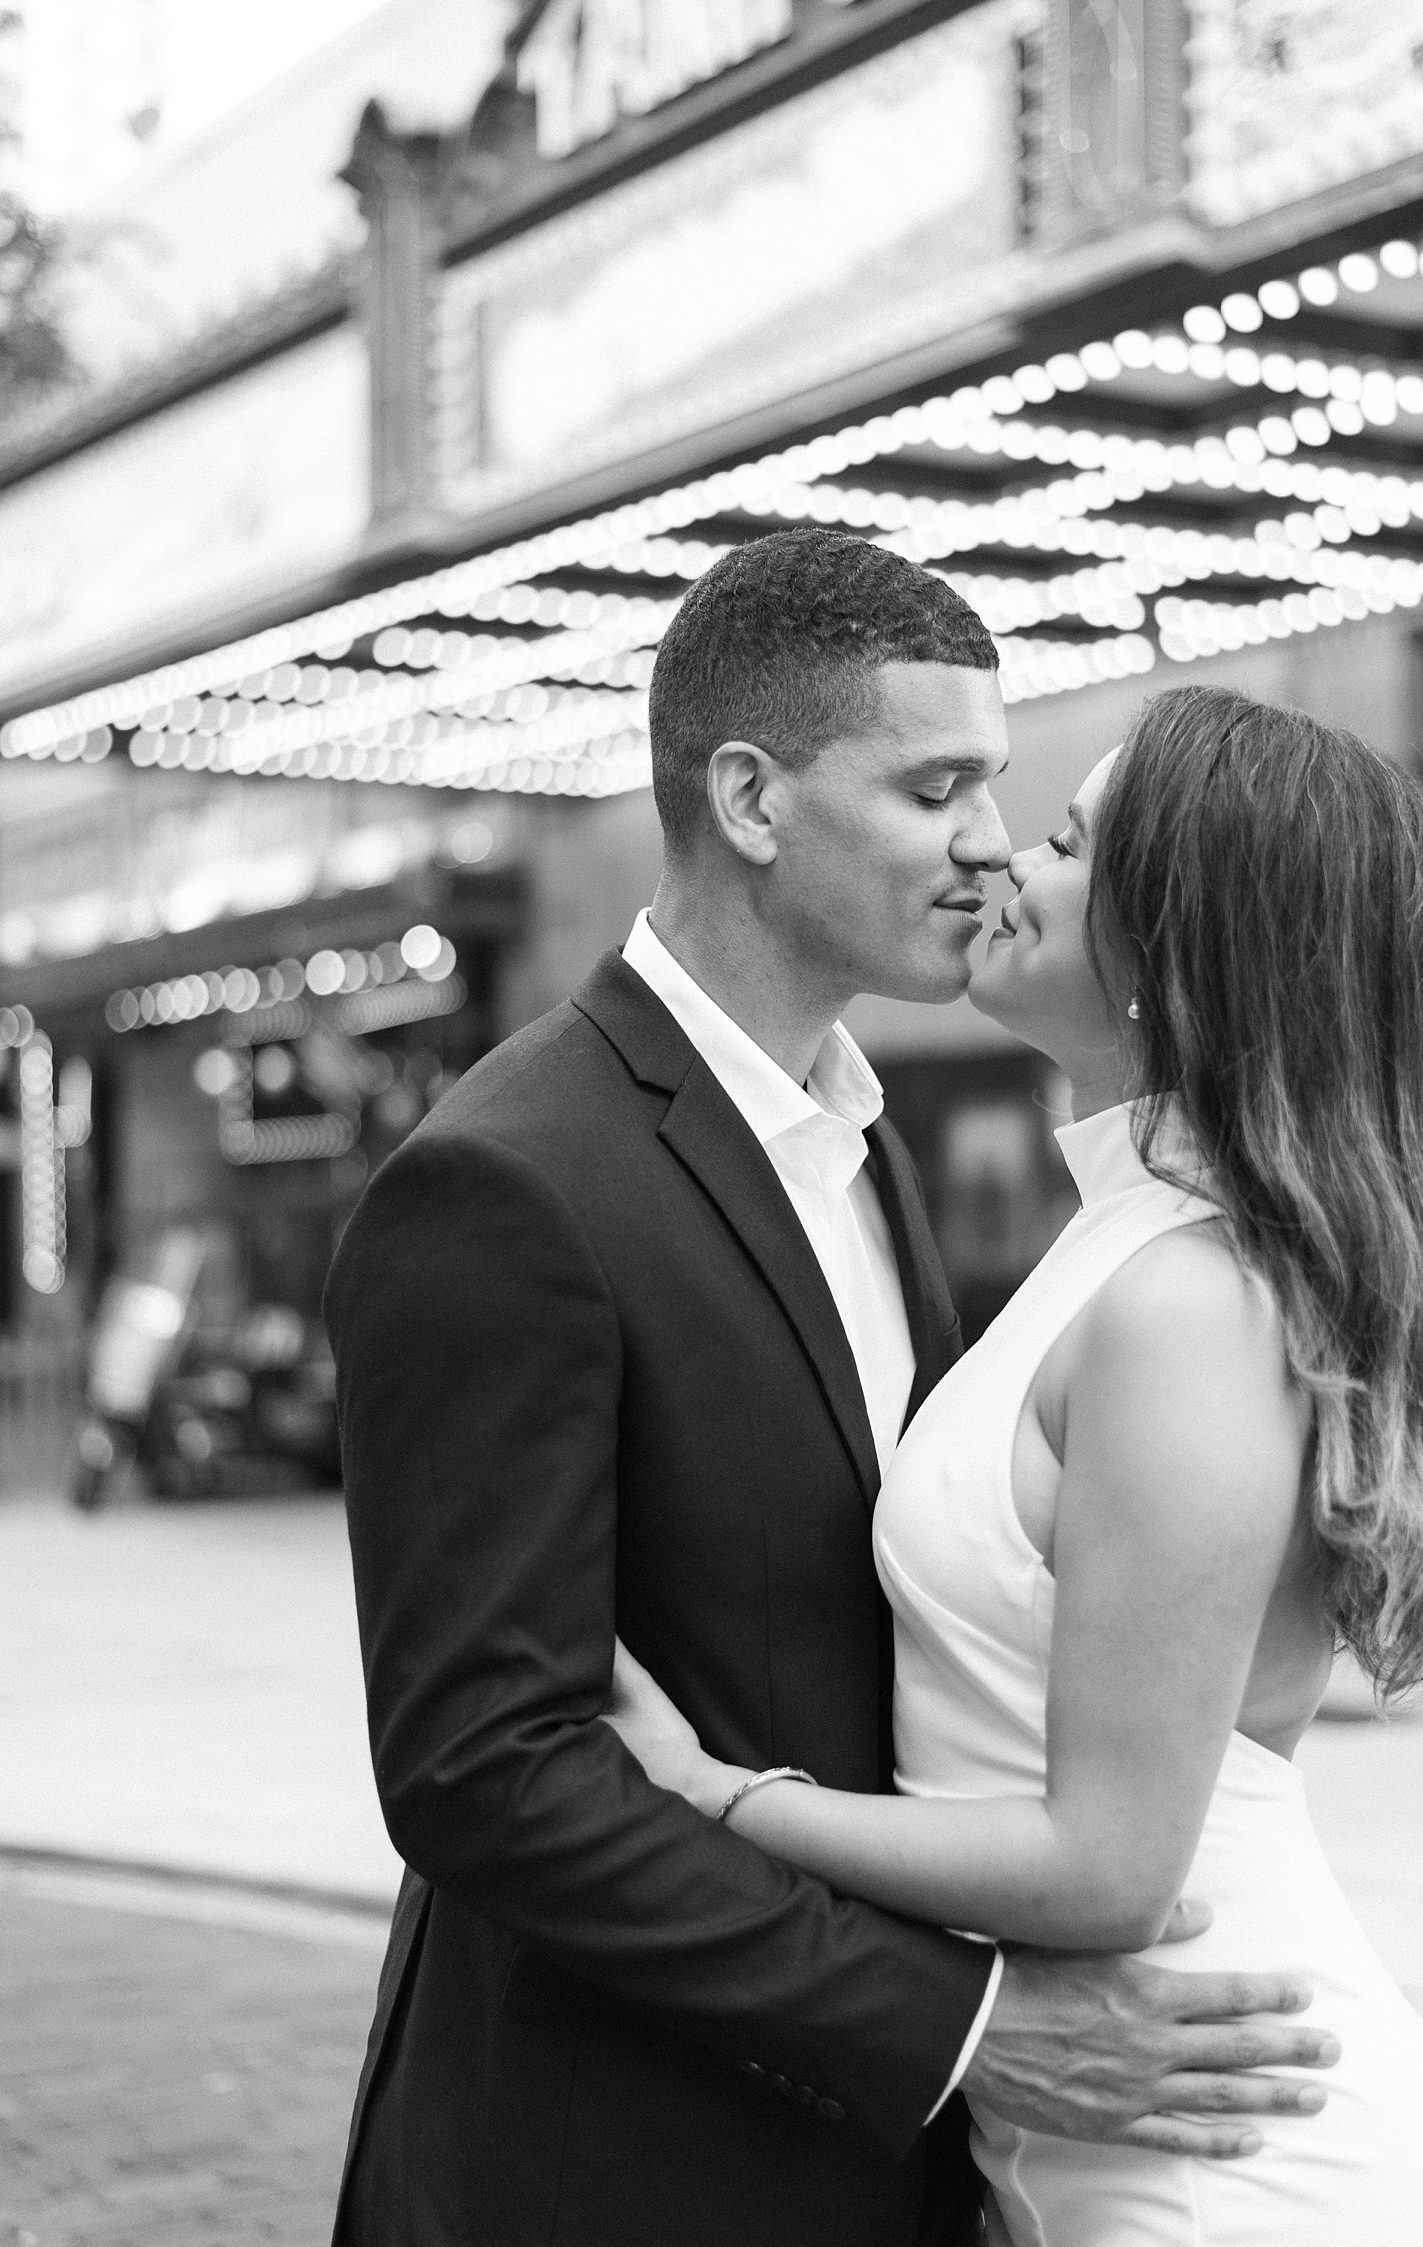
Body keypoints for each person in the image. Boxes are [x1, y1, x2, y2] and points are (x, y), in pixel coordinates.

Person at [325, 541, 1338, 2247]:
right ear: (751, 799)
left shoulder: (862, 1146)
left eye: (996, 788)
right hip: (606, 2166)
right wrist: (953, 2030)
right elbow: (484, 1770)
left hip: (879, 2167)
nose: (987, 844)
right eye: (935, 786)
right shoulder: (504, 1184)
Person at [606, 683, 1423, 2243]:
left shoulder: (1189, 1302)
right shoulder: (1130, 1244)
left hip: (1234, 2156)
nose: (1008, 856)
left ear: (1182, 948)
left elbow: (1104, 1872)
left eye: (1073, 841)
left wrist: (721, 1801)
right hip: (1105, 2133)